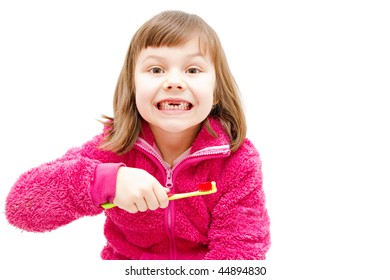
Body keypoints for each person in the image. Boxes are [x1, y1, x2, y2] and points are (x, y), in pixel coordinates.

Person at [5, 10, 270, 260]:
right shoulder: (112, 147)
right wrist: (106, 183)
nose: (174, 81)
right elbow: (21, 208)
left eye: (193, 70)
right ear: (132, 88)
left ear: (216, 92)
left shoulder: (238, 161)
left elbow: (240, 256)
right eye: (156, 70)